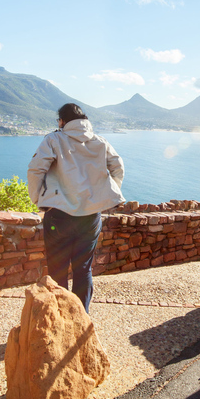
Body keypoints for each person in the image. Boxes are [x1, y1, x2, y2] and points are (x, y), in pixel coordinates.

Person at [27, 103, 125, 313]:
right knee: (83, 269)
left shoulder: (54, 140)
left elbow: (35, 169)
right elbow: (118, 167)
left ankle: (62, 319)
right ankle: (82, 317)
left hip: (59, 215)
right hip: (90, 216)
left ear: (62, 121)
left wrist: (38, 199)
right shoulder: (100, 141)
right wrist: (105, 195)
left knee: (57, 270)